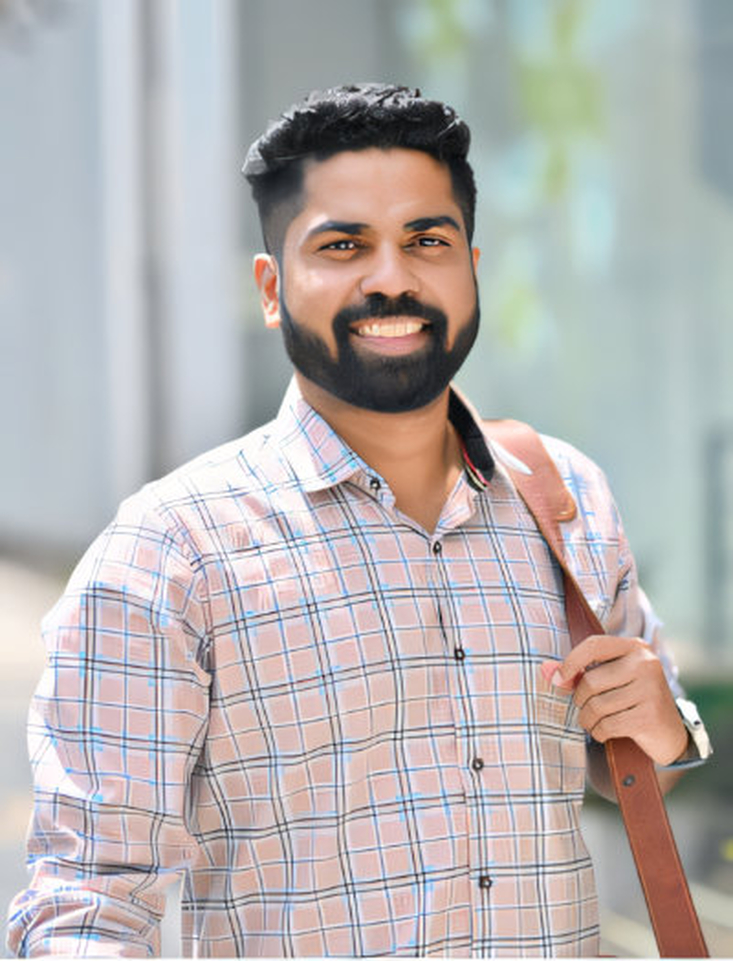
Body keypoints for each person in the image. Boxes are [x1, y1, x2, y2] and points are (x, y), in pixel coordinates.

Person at [7, 83, 711, 958]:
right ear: (272, 289)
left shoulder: (562, 491)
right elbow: (89, 900)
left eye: (427, 240)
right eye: (343, 245)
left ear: (470, 267)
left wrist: (663, 724)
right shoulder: (170, 553)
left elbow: (646, 759)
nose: (391, 277)